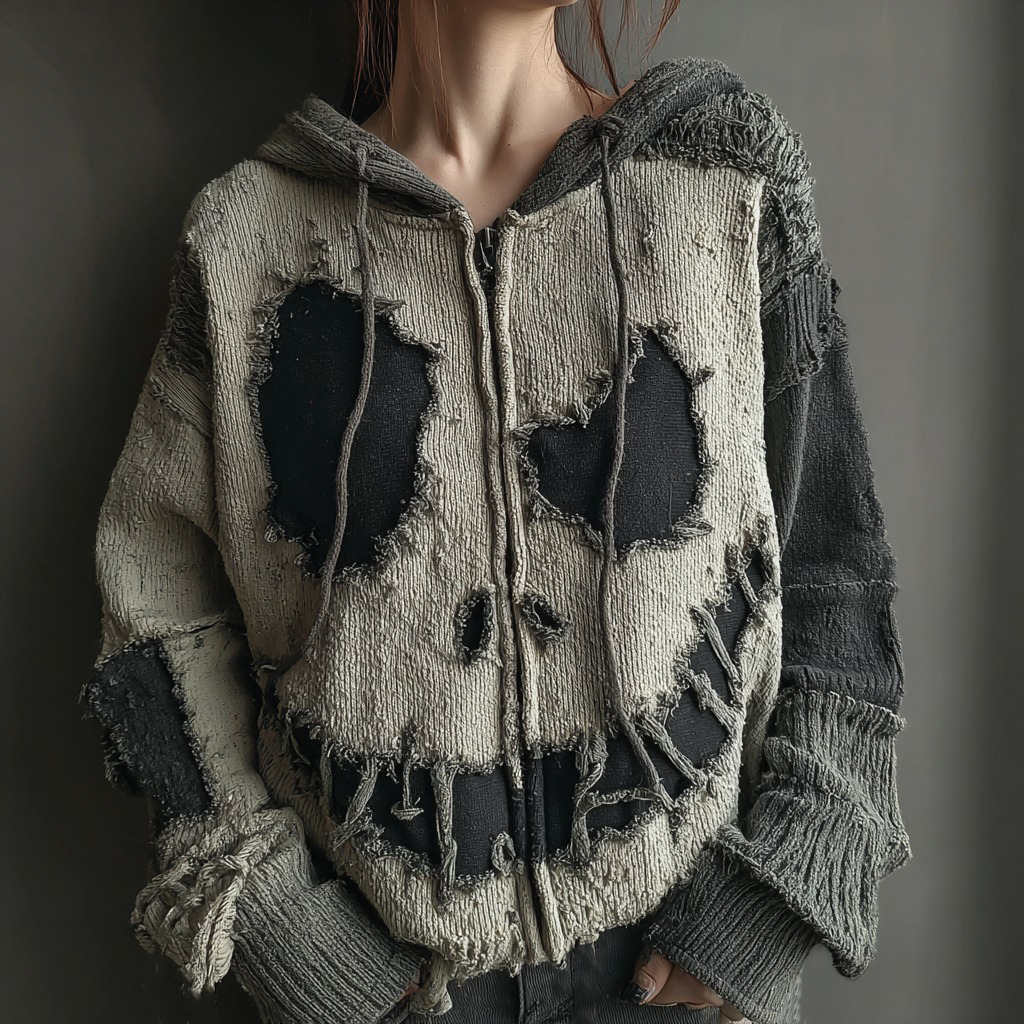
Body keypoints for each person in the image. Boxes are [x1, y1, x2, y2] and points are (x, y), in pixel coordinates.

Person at [79, 2, 912, 1023]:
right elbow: (153, 618)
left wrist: (767, 906)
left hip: (683, 977)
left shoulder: (723, 183)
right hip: (395, 987)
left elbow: (837, 575)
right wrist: (291, 937)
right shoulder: (244, 239)